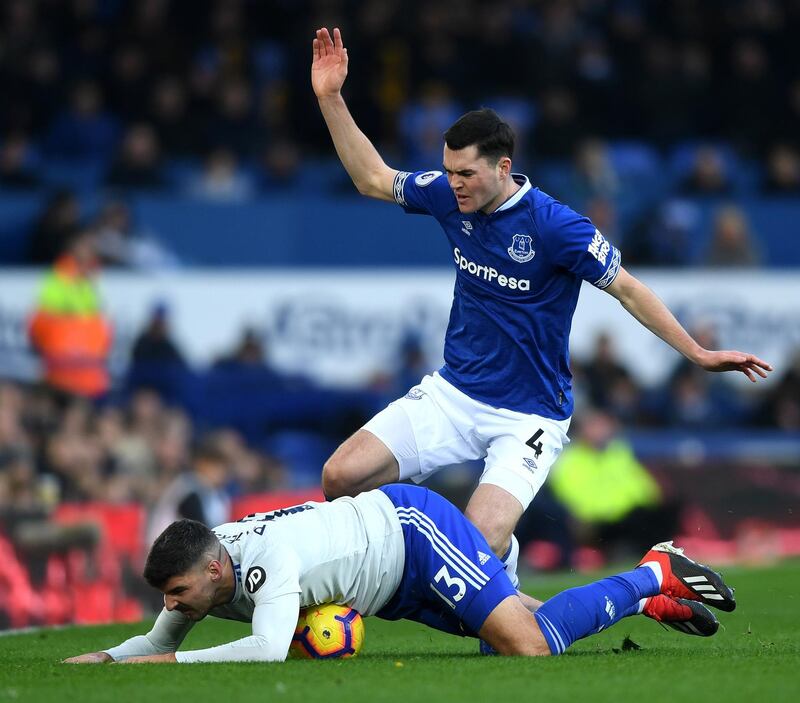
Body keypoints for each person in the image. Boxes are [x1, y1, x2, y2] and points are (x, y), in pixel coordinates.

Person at [310, 27, 772, 589]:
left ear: (504, 167)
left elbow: (628, 287)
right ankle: (474, 569)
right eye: (448, 171)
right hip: (454, 393)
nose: (452, 184)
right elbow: (372, 178)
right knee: (340, 476)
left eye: (466, 174)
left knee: (470, 555)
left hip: (529, 415)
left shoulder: (556, 227)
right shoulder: (445, 194)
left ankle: (501, 563)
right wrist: (331, 98)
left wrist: (698, 353)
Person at [64, 483, 731, 663]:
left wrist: (166, 669)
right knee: (506, 636)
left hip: (410, 531)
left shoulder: (261, 562)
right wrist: (103, 657)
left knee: (529, 644)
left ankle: (652, 570)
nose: (172, 605)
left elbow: (268, 650)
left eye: (177, 592)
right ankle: (644, 603)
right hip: (388, 586)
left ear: (213, 568)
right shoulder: (206, 566)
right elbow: (154, 643)